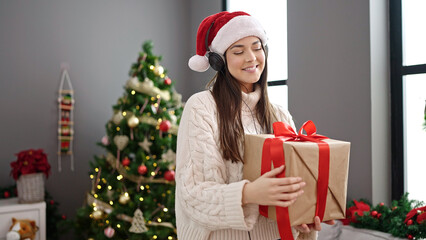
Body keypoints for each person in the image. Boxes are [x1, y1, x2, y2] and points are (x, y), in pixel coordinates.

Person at [175, 11, 333, 240]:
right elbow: (193, 196)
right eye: (238, 51)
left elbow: (289, 190)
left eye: (257, 47)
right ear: (219, 61)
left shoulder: (278, 114)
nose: (251, 57)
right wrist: (249, 193)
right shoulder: (201, 108)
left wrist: (302, 219)